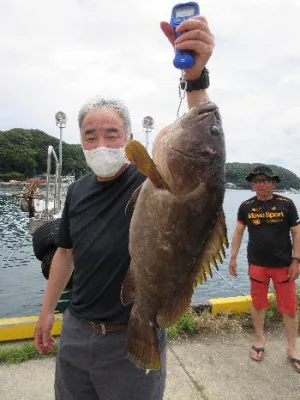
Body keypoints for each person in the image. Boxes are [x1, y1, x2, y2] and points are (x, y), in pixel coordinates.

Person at [34, 16, 215, 400]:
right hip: (77, 333)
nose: (101, 143)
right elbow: (66, 253)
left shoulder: (153, 180)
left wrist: (196, 76)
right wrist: (48, 310)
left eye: (112, 133)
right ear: (80, 143)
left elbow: (201, 153)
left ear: (131, 139)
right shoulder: (78, 190)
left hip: (131, 331)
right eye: (90, 136)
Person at [229, 165, 300, 372]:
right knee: (258, 305)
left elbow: (296, 233)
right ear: (252, 184)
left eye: (265, 180)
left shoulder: (287, 204)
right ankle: (260, 340)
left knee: (289, 309)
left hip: (284, 266)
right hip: (257, 265)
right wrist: (233, 257)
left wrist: (296, 259)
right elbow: (238, 233)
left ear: (273, 183)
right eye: (257, 181)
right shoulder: (246, 206)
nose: (261, 184)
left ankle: (292, 349)